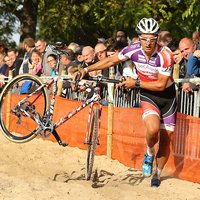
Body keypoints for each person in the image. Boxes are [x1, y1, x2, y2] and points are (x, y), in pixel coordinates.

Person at [74, 18, 177, 188]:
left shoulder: (165, 54)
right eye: (144, 39)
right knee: (152, 129)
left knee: (165, 140)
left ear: (157, 38)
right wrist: (86, 69)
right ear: (139, 37)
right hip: (148, 95)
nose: (148, 43)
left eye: (152, 39)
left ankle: (157, 175)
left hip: (167, 96)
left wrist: (135, 83)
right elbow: (111, 61)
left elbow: (160, 85)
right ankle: (150, 152)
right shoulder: (133, 49)